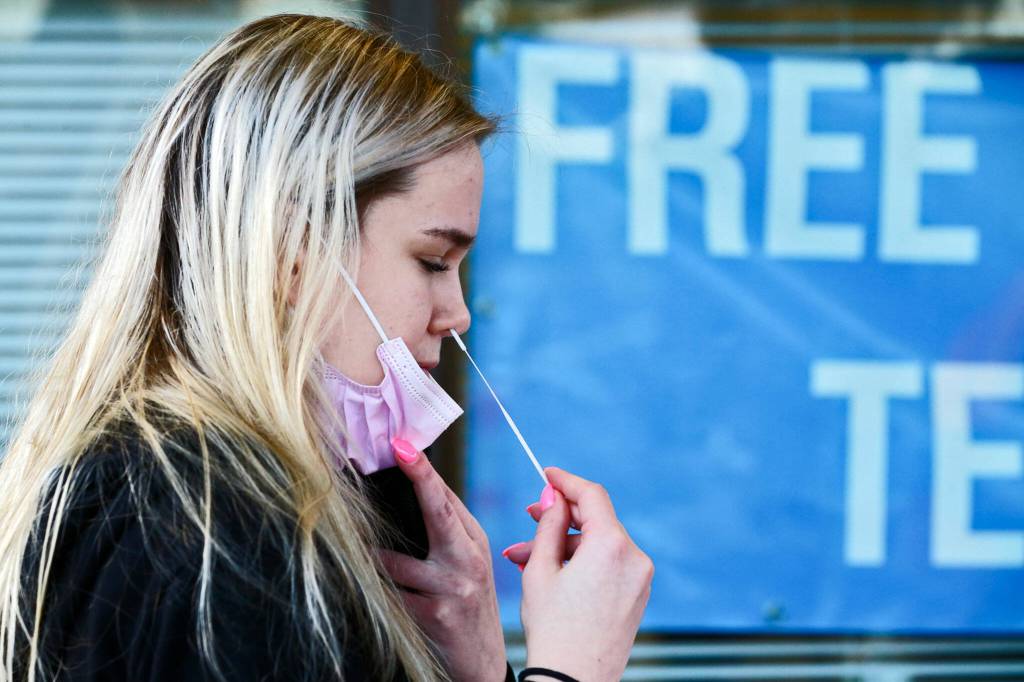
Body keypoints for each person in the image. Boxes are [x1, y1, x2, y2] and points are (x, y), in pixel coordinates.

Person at [0, 13, 653, 682]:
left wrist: (482, 666)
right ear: (292, 254)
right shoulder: (204, 528)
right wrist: (571, 671)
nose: (455, 315)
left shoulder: (268, 497)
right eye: (432, 260)